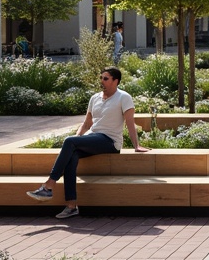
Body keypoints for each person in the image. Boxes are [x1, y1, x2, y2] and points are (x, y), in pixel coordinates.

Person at [26, 67, 147, 219]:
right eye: (101, 77)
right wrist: (77, 140)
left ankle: (49, 185)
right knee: (72, 155)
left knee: (70, 141)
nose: (102, 81)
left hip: (110, 141)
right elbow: (86, 123)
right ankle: (71, 206)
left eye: (106, 78)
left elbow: (130, 123)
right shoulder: (95, 98)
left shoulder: (124, 97)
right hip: (93, 137)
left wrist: (136, 146)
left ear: (115, 81)